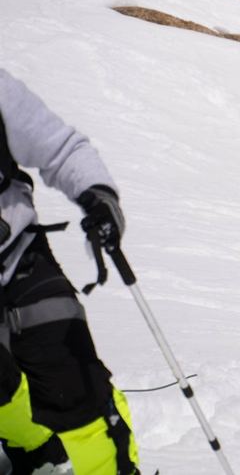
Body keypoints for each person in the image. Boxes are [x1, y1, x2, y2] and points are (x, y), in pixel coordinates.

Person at [0, 69, 142, 474]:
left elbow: (60, 149)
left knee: (76, 384)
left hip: (19, 257)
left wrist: (99, 196)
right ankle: (37, 452)